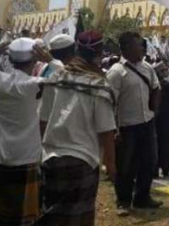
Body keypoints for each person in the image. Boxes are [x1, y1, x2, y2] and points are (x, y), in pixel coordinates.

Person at [39, 31, 117, 226]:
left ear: (76, 49)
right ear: (99, 52)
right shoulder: (98, 85)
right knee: (79, 219)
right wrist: (112, 166)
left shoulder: (56, 77)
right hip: (83, 161)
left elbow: (43, 121)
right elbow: (106, 131)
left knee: (52, 216)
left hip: (51, 158)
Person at [0, 38, 46, 226]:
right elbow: (62, 77)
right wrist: (51, 60)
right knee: (23, 211)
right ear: (33, 60)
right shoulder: (34, 83)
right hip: (26, 154)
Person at [107, 32, 162, 215]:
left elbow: (156, 88)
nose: (142, 48)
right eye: (139, 45)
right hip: (126, 126)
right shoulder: (116, 72)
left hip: (146, 122)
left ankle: (142, 197)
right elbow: (110, 102)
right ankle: (123, 201)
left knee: (149, 161)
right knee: (126, 165)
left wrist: (154, 109)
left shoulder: (147, 68)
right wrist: (114, 128)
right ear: (128, 48)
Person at [154, 62, 169, 178]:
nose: (166, 71)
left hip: (156, 120)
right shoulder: (167, 86)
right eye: (163, 70)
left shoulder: (153, 85)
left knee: (157, 145)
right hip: (166, 121)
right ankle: (165, 169)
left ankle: (156, 170)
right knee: (165, 145)